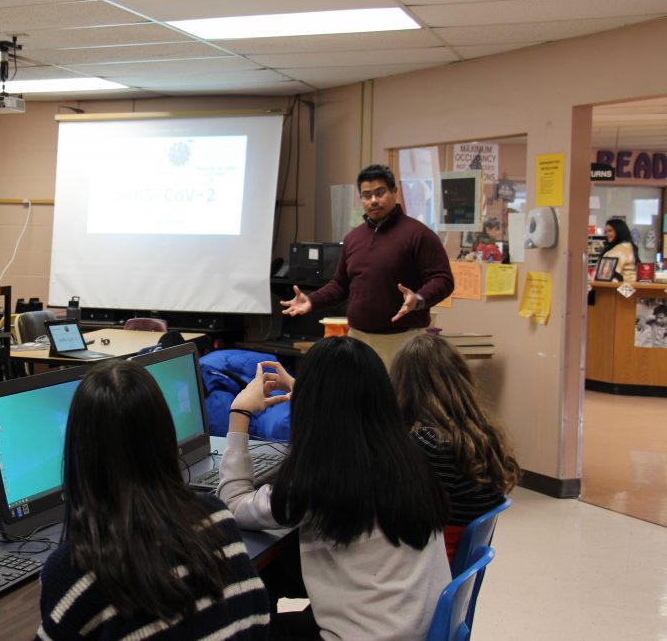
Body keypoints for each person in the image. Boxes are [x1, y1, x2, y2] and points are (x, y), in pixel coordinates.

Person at [219, 337, 450, 640]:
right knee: (275, 571)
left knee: (249, 613)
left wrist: (239, 414)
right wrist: (305, 390)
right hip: (414, 626)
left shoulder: (323, 480)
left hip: (369, 633)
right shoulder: (406, 456)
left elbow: (233, 504)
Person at [35, 360, 270, 639]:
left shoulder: (75, 571)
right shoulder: (216, 516)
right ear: (166, 438)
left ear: (79, 452)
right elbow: (259, 620)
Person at [282, 164, 454, 368]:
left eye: (380, 193)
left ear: (394, 192)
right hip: (358, 339)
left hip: (404, 341)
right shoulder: (353, 238)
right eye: (366, 195)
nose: (373, 200)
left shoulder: (418, 235)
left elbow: (443, 279)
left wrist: (417, 299)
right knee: (360, 399)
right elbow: (340, 285)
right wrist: (311, 300)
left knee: (398, 399)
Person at [389, 333, 521, 562]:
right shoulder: (481, 435)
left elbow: (405, 524)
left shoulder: (430, 443)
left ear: (403, 386)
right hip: (451, 566)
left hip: (428, 570)